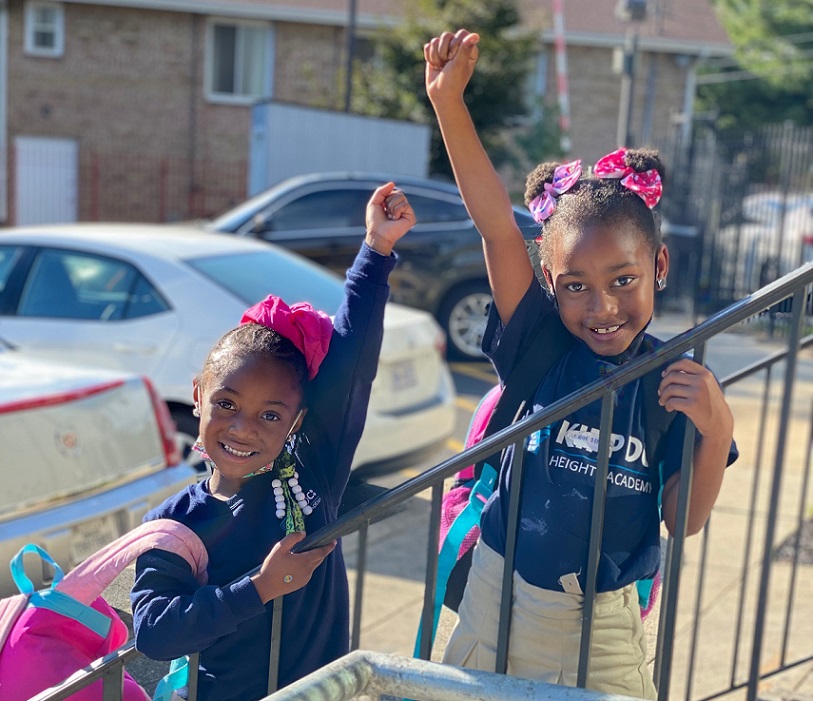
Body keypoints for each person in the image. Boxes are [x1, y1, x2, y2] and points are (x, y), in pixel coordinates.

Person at [424, 29, 737, 699]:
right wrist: (448, 102)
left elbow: (683, 520)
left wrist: (715, 426)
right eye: (575, 285)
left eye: (623, 279)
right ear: (549, 281)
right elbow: (496, 227)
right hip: (496, 597)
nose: (601, 307)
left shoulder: (673, 383)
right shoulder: (541, 345)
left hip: (604, 626)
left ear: (657, 266)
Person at [130, 183, 416, 701]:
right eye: (227, 405)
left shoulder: (313, 469)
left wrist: (375, 250)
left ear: (297, 420)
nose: (243, 429)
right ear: (198, 395)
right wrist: (260, 588)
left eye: (270, 414)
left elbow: (352, 362)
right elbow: (153, 633)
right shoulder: (173, 524)